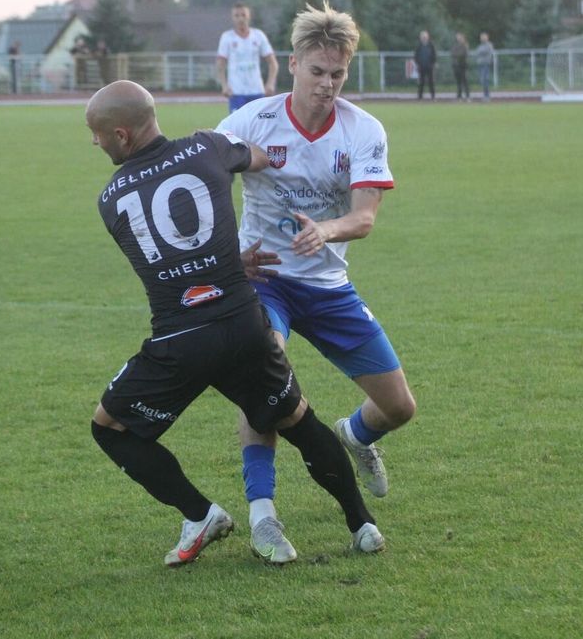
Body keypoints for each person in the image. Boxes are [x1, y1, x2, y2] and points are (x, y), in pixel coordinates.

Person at [86, 79, 383, 566]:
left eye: (97, 134)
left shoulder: (111, 199)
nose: (94, 142)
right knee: (297, 419)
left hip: (180, 339)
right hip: (244, 324)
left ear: (121, 136)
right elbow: (262, 159)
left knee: (110, 428)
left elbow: (163, 260)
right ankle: (362, 523)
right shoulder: (210, 145)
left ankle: (199, 514)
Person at [217, 2, 415, 564]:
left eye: (337, 75)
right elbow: (202, 180)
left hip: (328, 286)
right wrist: (233, 259)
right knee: (264, 376)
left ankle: (354, 437)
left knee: (399, 408)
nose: (327, 85)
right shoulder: (250, 121)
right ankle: (264, 515)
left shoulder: (363, 130)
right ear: (294, 63)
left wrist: (325, 229)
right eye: (317, 72)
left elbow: (365, 218)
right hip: (267, 281)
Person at [216, 1, 279, 112]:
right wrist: (224, 85)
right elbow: (220, 65)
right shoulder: (227, 37)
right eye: (237, 15)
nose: (240, 19)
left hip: (257, 91)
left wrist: (270, 83)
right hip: (236, 92)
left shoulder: (258, 35)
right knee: (236, 128)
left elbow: (272, 62)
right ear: (232, 18)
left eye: (243, 15)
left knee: (259, 127)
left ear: (249, 16)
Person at [414, 30, 436, 100]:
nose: (424, 38)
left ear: (428, 37)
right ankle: (420, 96)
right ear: (420, 38)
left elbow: (434, 55)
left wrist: (433, 64)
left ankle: (433, 96)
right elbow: (416, 56)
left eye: (425, 36)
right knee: (421, 82)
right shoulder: (419, 46)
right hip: (421, 66)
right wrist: (417, 64)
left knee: (431, 82)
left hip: (429, 66)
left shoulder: (431, 45)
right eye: (422, 37)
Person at [474, 32, 494, 102]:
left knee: (485, 80)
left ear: (487, 37)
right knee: (482, 80)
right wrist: (479, 52)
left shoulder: (489, 45)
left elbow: (484, 52)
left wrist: (480, 52)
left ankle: (487, 96)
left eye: (484, 37)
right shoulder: (480, 46)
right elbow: (477, 52)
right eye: (481, 37)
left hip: (486, 64)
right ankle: (485, 95)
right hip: (480, 64)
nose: (482, 38)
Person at [451, 32, 470, 101]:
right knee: (458, 82)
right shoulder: (455, 45)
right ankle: (459, 96)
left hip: (463, 65)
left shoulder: (465, 45)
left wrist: (457, 55)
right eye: (457, 37)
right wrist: (457, 55)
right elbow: (453, 53)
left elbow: (463, 54)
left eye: (460, 37)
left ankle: (468, 96)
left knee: (465, 81)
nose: (458, 38)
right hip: (456, 66)